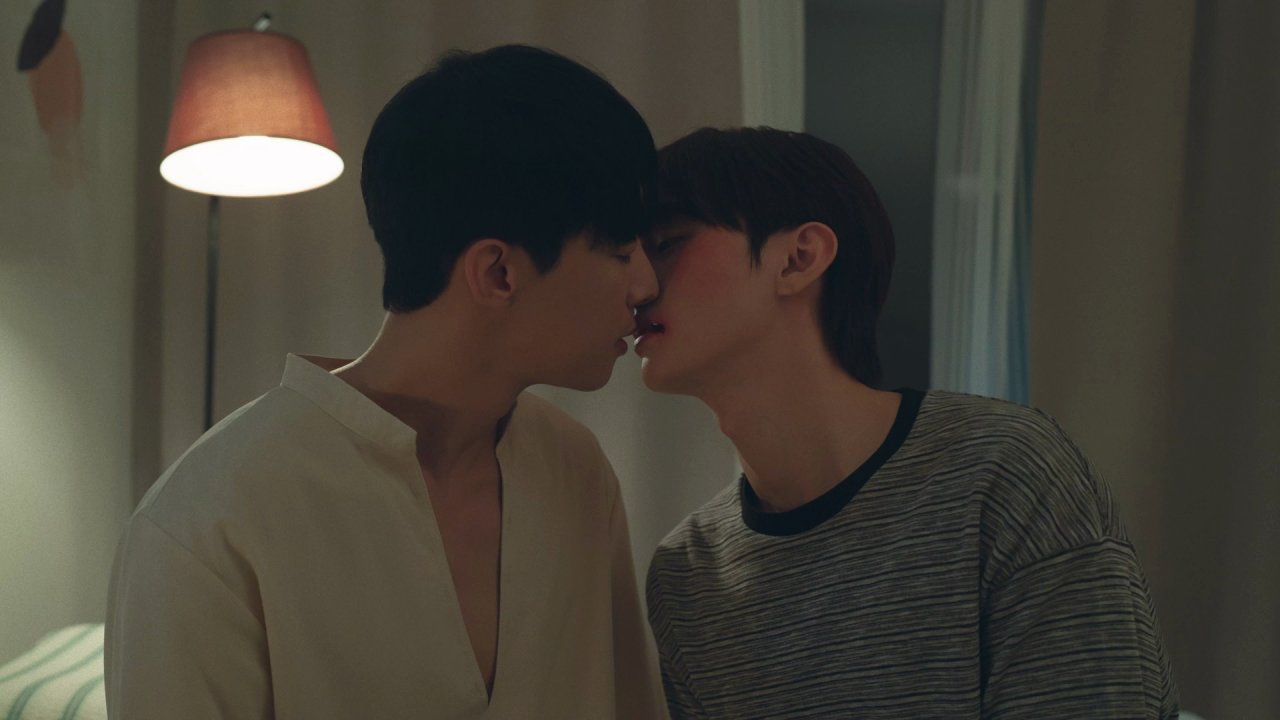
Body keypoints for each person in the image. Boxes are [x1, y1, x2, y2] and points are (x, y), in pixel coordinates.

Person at [106, 45, 668, 719]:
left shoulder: (575, 470)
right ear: (497, 273)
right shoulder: (210, 522)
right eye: (621, 252)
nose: (647, 286)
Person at [638, 127, 1179, 719]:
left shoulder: (1006, 475)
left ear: (799, 258)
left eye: (665, 244)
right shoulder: (687, 574)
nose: (638, 284)